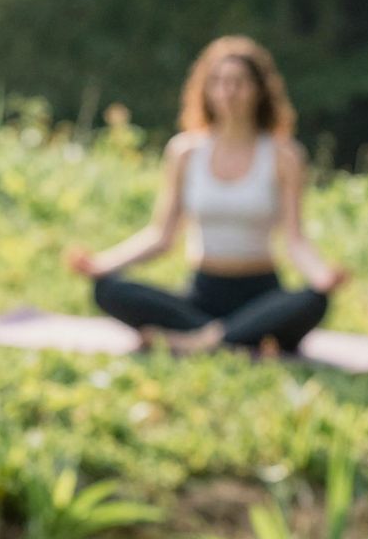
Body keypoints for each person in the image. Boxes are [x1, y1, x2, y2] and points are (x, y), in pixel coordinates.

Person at [65, 35, 347, 355]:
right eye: (219, 82)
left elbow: (295, 240)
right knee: (107, 290)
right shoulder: (185, 152)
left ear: (259, 90)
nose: (228, 92)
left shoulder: (285, 156)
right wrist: (102, 263)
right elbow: (161, 235)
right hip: (201, 295)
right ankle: (227, 338)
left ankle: (199, 340)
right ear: (206, 90)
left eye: (239, 83)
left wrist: (321, 276)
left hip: (261, 293)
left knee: (313, 301)